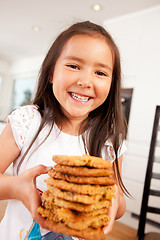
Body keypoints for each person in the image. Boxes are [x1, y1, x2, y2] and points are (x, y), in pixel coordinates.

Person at [0, 21, 128, 240]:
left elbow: (118, 200)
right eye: (74, 66)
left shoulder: (110, 139)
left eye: (100, 72)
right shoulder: (27, 121)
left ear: (111, 84)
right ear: (51, 73)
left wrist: (112, 199)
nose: (85, 81)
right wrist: (16, 187)